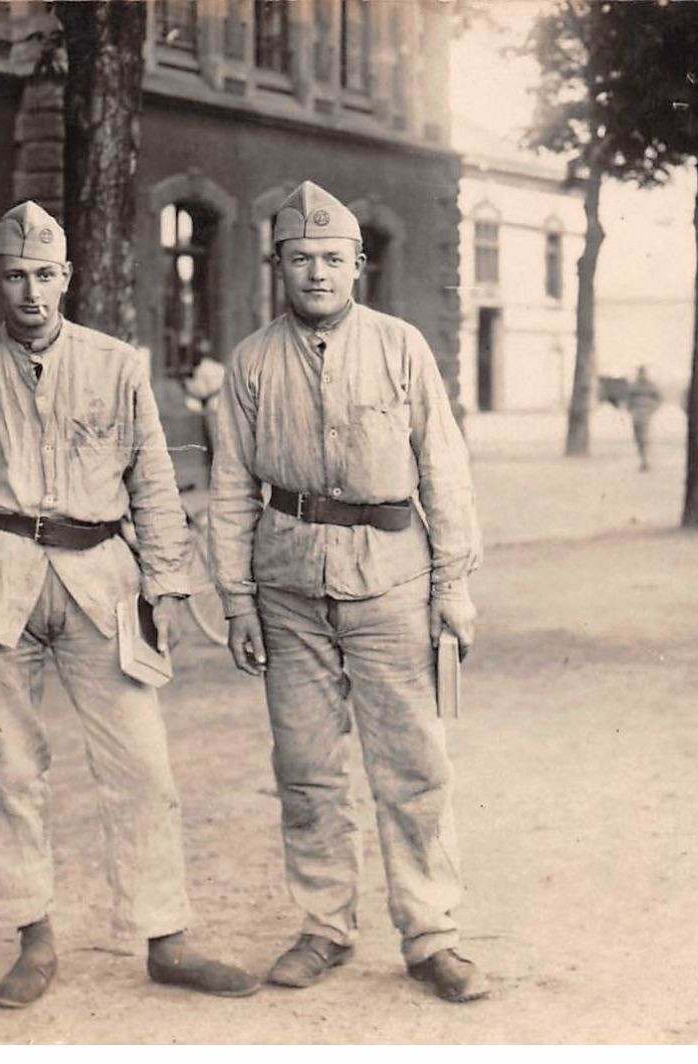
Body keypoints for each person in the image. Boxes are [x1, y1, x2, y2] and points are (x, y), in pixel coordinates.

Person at [0, 201, 258, 1009]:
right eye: (16, 275)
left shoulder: (114, 365)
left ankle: (164, 937)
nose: (32, 292)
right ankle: (33, 937)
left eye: (46, 275)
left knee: (141, 765)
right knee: (11, 770)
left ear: (67, 278)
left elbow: (153, 482)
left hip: (102, 579)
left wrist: (166, 586)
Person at [209, 180, 489, 1003]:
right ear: (278, 267)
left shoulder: (402, 347)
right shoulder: (251, 362)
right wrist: (234, 600)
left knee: (411, 764)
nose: (317, 274)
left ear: (357, 265)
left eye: (332, 260)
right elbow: (231, 487)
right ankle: (325, 924)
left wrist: (453, 589)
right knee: (305, 767)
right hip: (287, 585)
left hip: (390, 582)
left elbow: (444, 469)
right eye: (301, 260)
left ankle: (432, 932)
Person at [625, 365, 662, 471]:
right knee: (637, 436)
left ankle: (645, 460)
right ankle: (642, 458)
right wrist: (630, 408)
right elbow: (628, 398)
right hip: (636, 412)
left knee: (644, 436)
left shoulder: (651, 386)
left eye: (643, 372)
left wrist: (652, 408)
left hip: (646, 412)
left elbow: (658, 398)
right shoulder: (634, 385)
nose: (641, 375)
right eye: (640, 372)